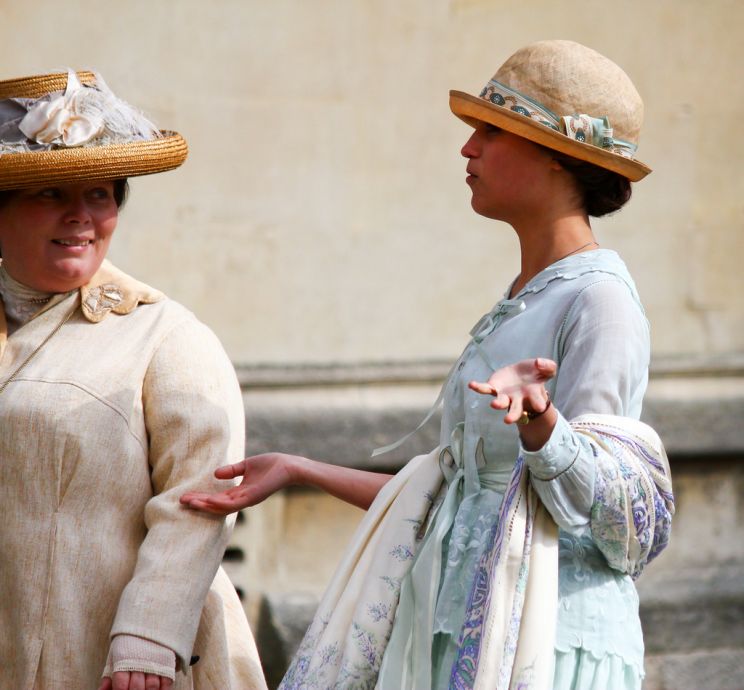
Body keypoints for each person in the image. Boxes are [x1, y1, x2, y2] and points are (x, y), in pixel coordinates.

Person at [182, 40, 674, 689]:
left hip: (549, 651)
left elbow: (614, 519)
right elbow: (449, 502)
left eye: (490, 132)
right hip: (465, 638)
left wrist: (544, 426)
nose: (467, 149)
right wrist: (300, 467)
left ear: (559, 158)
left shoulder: (600, 302)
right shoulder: (531, 294)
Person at [0, 70, 267, 690]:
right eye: (50, 194)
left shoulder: (166, 337)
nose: (82, 217)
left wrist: (148, 638)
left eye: (100, 194)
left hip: (123, 666)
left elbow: (200, 501)